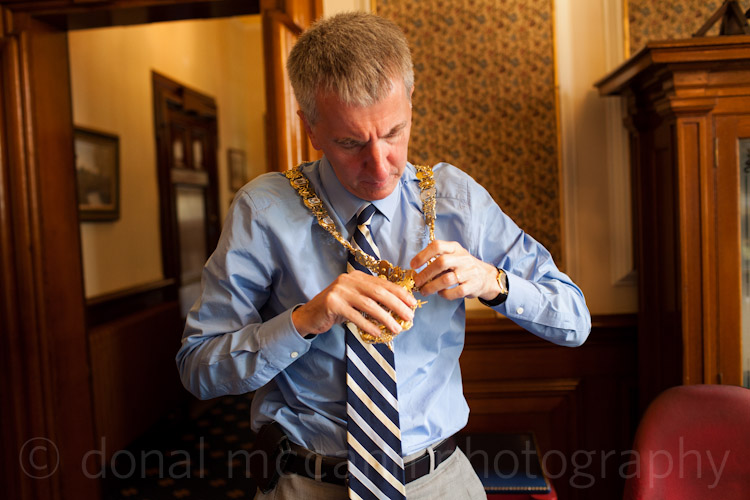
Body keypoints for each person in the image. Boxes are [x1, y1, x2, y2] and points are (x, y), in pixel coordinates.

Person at [176, 11, 591, 500]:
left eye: (394, 132)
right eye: (350, 143)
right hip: (310, 483)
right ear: (310, 128)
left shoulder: (457, 199)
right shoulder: (263, 210)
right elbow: (198, 369)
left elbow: (575, 321)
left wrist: (492, 281)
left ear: (410, 103)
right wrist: (305, 320)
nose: (379, 165)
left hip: (440, 483)